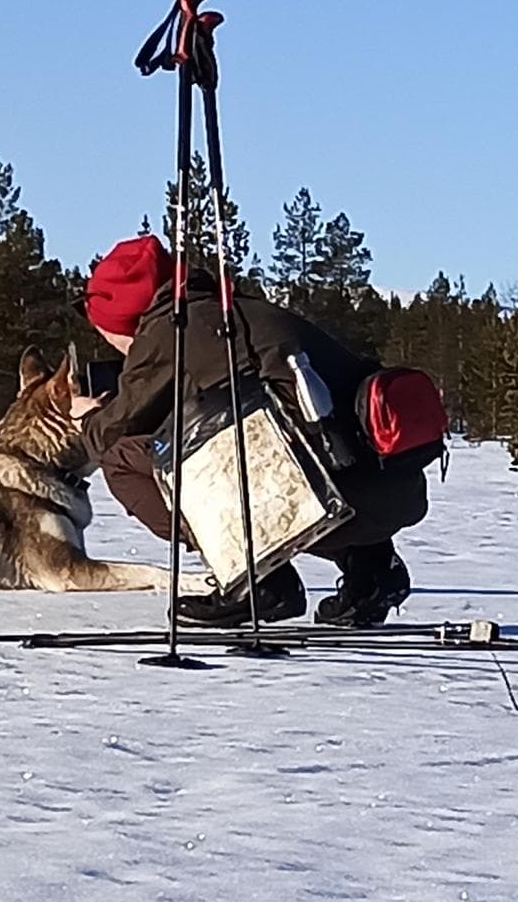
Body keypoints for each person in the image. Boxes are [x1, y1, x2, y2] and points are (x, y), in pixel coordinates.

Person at [76, 234, 428, 628]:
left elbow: (109, 432)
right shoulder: (241, 312)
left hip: (324, 504)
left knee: (122, 459)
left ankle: (259, 582)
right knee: (281, 449)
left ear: (123, 320)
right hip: (388, 496)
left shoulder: (170, 328)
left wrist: (86, 416)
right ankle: (373, 571)